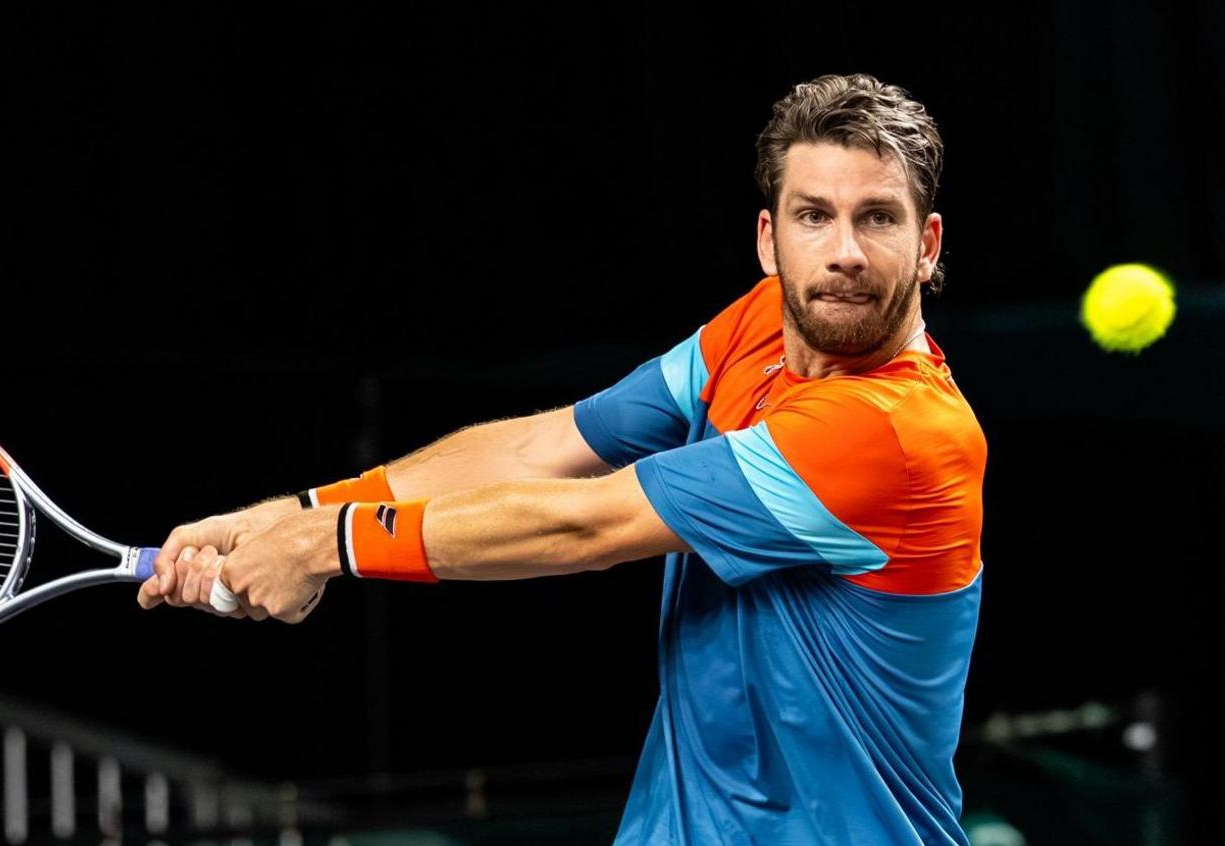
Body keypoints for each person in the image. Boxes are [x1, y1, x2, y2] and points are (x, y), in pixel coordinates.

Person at [138, 72, 985, 845]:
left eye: (878, 217)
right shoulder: (763, 324)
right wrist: (290, 514)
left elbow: (588, 523)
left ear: (928, 244)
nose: (843, 252)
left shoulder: (896, 433)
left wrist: (325, 545)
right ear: (769, 239)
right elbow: (545, 447)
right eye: (815, 215)